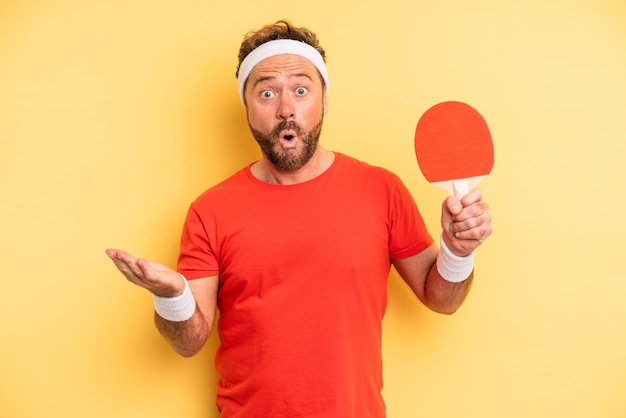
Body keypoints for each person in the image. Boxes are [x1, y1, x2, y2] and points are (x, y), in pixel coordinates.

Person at [106, 20, 492, 418]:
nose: (286, 109)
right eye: (267, 92)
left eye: (301, 89)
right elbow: (188, 343)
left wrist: (458, 251)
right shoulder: (209, 211)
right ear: (247, 108)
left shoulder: (381, 189)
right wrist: (172, 298)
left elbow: (442, 299)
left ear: (324, 101)